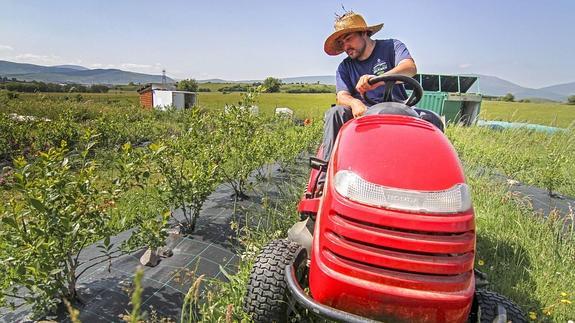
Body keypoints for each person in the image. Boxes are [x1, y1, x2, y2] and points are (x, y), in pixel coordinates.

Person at [321, 11, 418, 163]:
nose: (346, 46)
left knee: (432, 120)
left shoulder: (392, 46)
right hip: (365, 112)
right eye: (342, 43)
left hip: (398, 109)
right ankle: (324, 174)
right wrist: (355, 103)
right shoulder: (345, 67)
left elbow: (410, 68)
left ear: (365, 33)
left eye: (349, 39)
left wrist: (379, 79)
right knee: (335, 113)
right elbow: (342, 95)